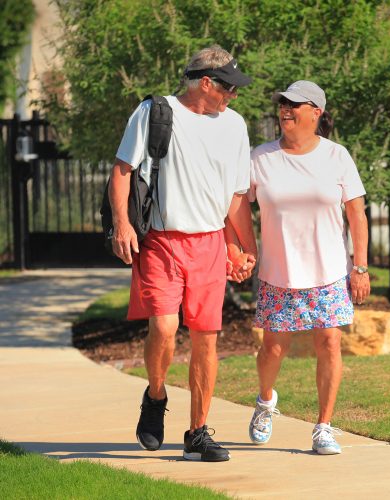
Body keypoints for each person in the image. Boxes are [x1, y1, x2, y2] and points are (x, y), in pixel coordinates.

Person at [108, 45, 257, 462]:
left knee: (207, 341)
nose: (233, 94)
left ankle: (197, 432)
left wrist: (246, 248)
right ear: (205, 83)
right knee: (166, 328)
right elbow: (122, 171)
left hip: (209, 244)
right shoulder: (157, 112)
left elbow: (235, 197)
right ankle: (155, 395)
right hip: (161, 241)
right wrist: (122, 223)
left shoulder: (235, 126)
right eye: (228, 86)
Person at [242, 80, 370, 455]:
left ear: (316, 112)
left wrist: (359, 267)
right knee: (272, 350)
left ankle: (324, 427)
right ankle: (266, 402)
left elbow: (357, 215)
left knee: (330, 342)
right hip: (279, 273)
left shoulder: (337, 156)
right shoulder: (260, 158)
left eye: (295, 104)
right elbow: (236, 207)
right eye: (283, 104)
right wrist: (242, 248)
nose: (286, 109)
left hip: (329, 271)